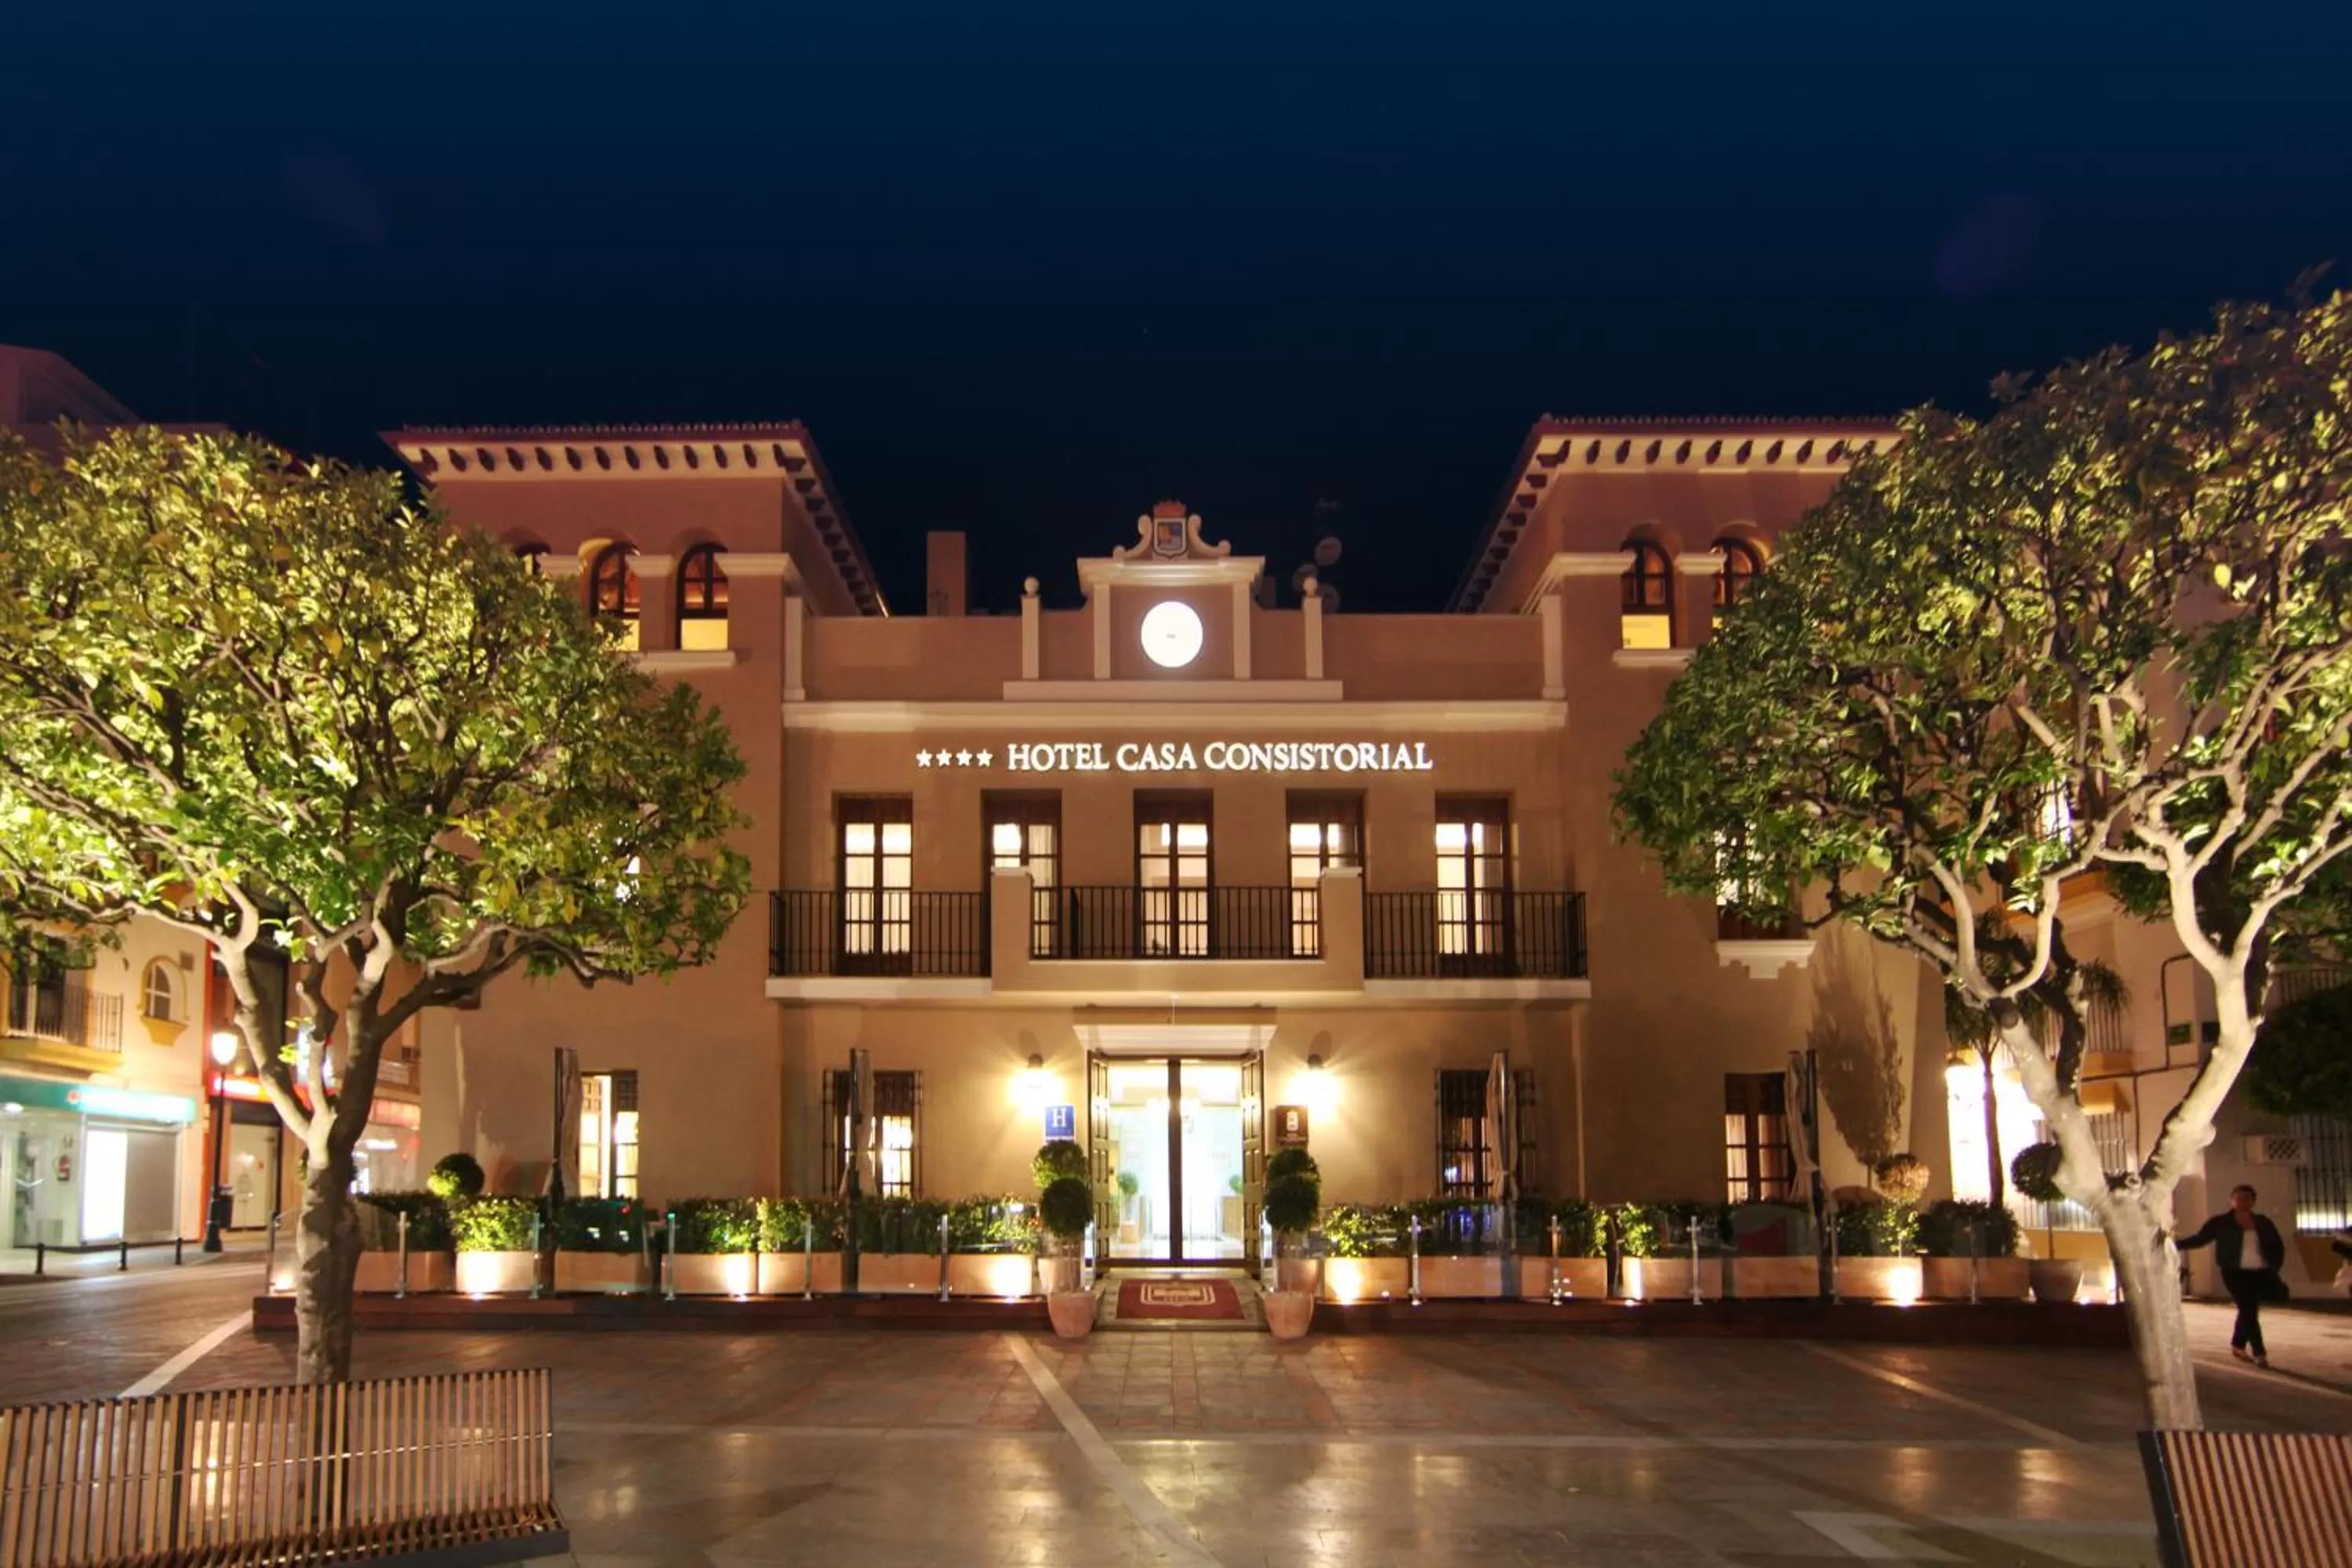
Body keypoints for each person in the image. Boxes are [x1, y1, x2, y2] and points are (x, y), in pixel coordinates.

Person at [2177, 1184, 2288, 1368]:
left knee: (2248, 1309)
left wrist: (2274, 1267)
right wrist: (2175, 1244)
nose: (2243, 1200)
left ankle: (2238, 1345)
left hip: (2259, 1272)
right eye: (2239, 1197)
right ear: (2232, 1200)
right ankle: (2259, 1352)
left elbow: (2277, 1246)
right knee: (2249, 1310)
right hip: (2234, 1272)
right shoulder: (2221, 1222)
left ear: (2253, 1201)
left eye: (2247, 1197)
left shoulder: (2263, 1222)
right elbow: (2201, 1239)